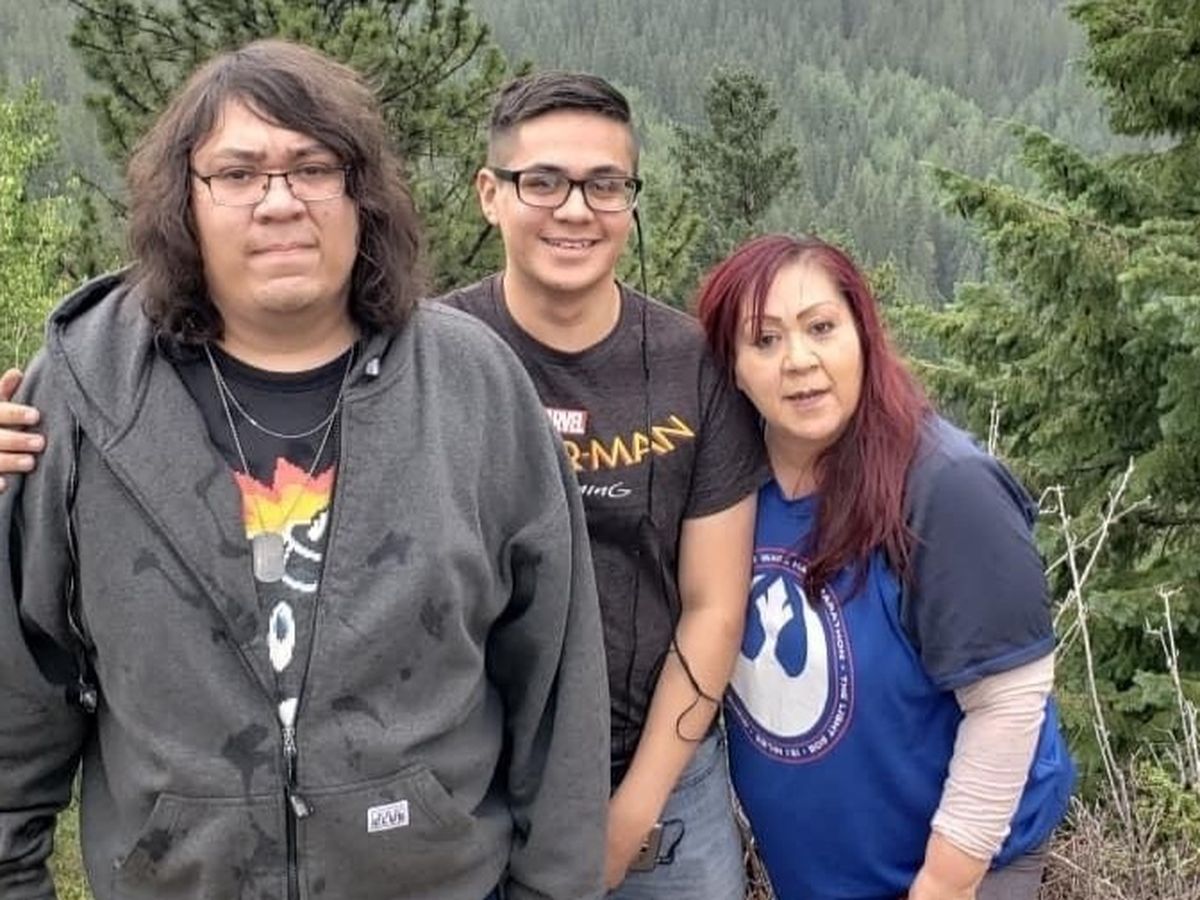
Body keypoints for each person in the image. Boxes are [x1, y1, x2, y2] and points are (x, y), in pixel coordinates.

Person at [0, 68, 767, 899]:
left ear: (363, 193)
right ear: (182, 197)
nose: (280, 201)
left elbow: (554, 680)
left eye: (314, 168)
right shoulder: (86, 393)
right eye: (238, 172)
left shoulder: (475, 383)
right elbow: (20, 686)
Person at [442, 72, 767, 898]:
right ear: (490, 194)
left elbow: (713, 606)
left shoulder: (695, 368)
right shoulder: (431, 358)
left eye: (605, 184)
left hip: (664, 783)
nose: (576, 210)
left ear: (630, 200)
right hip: (471, 788)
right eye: (543, 181)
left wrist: (632, 814)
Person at [694, 234, 1075, 900]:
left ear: (863, 335)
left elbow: (1008, 703)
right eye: (765, 340)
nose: (799, 360)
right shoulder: (727, 487)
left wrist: (943, 884)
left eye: (821, 328)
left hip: (961, 870)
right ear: (732, 366)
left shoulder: (945, 487)